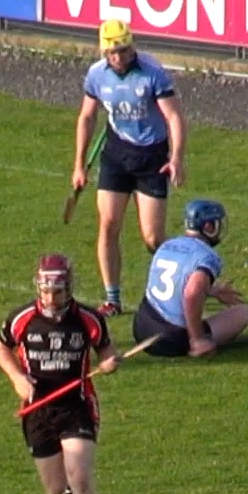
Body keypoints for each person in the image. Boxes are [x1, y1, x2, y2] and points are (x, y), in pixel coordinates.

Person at [0, 254, 122, 494]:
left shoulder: (88, 319)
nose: (52, 297)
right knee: (54, 487)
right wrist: (17, 378)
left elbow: (105, 347)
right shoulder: (22, 318)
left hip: (76, 406)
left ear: (69, 289)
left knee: (80, 475)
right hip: (38, 409)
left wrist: (110, 361)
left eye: (59, 291)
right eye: (47, 290)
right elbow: (0, 347)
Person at [73, 19, 187, 315]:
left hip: (152, 157)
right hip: (116, 154)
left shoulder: (152, 73)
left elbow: (174, 117)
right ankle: (112, 298)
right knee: (108, 224)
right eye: (113, 53)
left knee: (152, 238)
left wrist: (176, 158)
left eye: (123, 51)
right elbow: (87, 117)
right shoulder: (96, 76)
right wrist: (79, 165)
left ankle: (186, 276)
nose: (119, 58)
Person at [134, 199, 248, 357]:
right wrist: (197, 339)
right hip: (170, 338)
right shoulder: (206, 256)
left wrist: (211, 290)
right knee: (243, 312)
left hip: (142, 328)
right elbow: (192, 293)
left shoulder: (167, 245)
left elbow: (176, 281)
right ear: (208, 227)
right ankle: (196, 339)